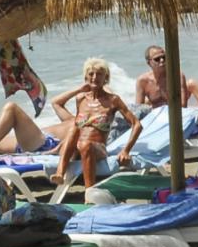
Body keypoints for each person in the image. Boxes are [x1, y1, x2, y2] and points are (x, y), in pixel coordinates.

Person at [48, 58, 141, 188]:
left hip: (98, 149)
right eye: (91, 74)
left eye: (99, 74)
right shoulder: (80, 99)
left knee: (85, 143)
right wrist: (79, 90)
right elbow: (56, 102)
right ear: (86, 77)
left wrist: (126, 150)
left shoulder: (113, 100)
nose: (94, 77)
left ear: (106, 78)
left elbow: (137, 125)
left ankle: (89, 190)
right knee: (75, 128)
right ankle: (60, 173)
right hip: (76, 149)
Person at [134, 45, 198, 109]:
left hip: (175, 115)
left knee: (191, 83)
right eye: (157, 59)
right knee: (147, 103)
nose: (162, 60)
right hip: (157, 116)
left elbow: (183, 105)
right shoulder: (142, 81)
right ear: (149, 63)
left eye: (164, 57)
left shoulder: (177, 76)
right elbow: (139, 109)